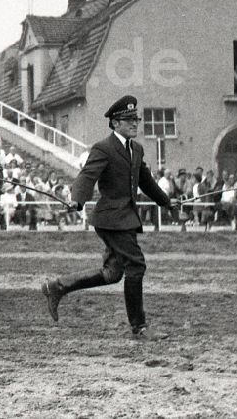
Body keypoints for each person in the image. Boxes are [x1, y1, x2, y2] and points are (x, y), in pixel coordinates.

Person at [41, 95, 176, 340]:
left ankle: (57, 286)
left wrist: (167, 202)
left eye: (136, 119)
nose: (135, 123)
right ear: (115, 123)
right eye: (128, 120)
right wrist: (77, 200)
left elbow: (146, 181)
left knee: (113, 273)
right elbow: (86, 176)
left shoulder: (136, 149)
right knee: (136, 265)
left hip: (124, 219)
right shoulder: (103, 148)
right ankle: (140, 327)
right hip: (111, 220)